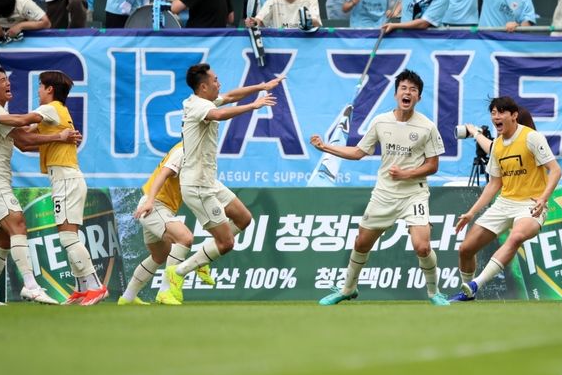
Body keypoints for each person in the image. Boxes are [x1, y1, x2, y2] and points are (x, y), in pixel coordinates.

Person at [0, 71, 109, 306]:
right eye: (2, 80)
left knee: (14, 238)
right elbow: (24, 141)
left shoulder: (7, 112)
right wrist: (59, 137)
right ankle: (31, 286)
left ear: (50, 89)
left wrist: (59, 137)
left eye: (40, 86)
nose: (8, 83)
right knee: (17, 228)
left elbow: (25, 134)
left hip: (51, 178)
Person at [311, 69, 450, 306]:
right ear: (396, 93)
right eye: (404, 88)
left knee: (422, 246)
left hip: (414, 193)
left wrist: (406, 173)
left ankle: (434, 293)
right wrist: (325, 147)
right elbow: (358, 152)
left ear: (419, 98)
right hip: (384, 194)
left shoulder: (427, 127)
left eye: (413, 90)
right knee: (361, 243)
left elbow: (433, 165)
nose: (408, 93)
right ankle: (348, 289)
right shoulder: (380, 121)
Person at [163, 63, 284, 300]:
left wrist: (263, 86)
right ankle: (179, 272)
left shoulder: (205, 100)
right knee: (226, 243)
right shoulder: (198, 105)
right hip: (197, 186)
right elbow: (218, 114)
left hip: (209, 181)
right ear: (203, 86)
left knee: (244, 218)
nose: (220, 84)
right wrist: (254, 105)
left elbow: (229, 96)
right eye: (216, 80)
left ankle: (204, 256)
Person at [450, 96, 562, 301]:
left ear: (514, 115)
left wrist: (543, 198)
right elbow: (494, 184)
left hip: (531, 204)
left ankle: (476, 285)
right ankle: (467, 292)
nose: (496, 117)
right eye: (493, 113)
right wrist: (471, 213)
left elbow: (555, 170)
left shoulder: (531, 137)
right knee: (466, 249)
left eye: (501, 112)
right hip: (504, 203)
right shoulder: (497, 146)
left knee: (516, 236)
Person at [121, 141, 215, 306]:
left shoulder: (194, 153)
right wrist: (150, 201)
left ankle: (127, 298)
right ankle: (165, 291)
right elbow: (163, 174)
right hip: (154, 206)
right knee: (185, 238)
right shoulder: (183, 151)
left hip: (160, 208)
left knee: (159, 255)